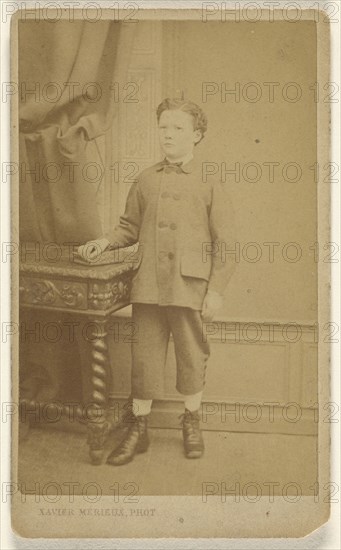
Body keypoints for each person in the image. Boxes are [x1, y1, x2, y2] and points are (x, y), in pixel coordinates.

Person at [77, 97, 236, 465]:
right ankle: (140, 428)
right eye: (163, 126)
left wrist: (216, 291)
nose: (168, 134)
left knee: (191, 356)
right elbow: (128, 228)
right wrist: (103, 242)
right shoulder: (147, 178)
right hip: (148, 284)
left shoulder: (210, 181)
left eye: (178, 128)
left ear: (196, 136)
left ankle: (191, 421)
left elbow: (226, 242)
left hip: (189, 286)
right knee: (144, 359)